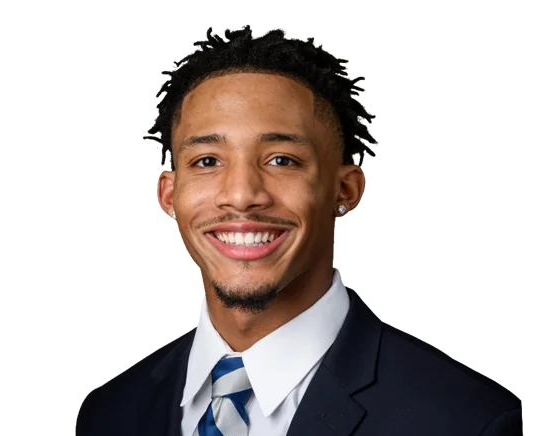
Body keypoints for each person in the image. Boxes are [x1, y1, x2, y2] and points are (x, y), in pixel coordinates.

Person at [77, 26, 525, 435]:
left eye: (282, 160)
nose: (242, 195)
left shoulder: (468, 422)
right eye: (207, 161)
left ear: (345, 190)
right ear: (169, 195)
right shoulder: (109, 415)